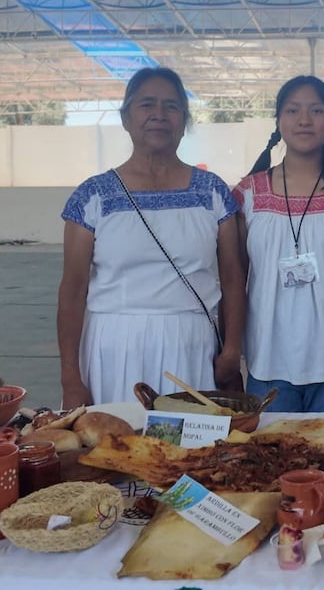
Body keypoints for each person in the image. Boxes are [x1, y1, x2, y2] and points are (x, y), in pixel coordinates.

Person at [58, 67, 245, 407]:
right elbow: (72, 290)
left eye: (171, 106)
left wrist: (232, 350)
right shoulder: (92, 197)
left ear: (184, 120)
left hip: (191, 347)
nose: (159, 115)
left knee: (193, 455)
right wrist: (71, 377)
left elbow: (233, 280)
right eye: (147, 104)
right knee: (114, 450)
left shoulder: (213, 192)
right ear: (126, 117)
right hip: (113, 349)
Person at [233, 75, 324, 413]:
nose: (304, 120)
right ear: (278, 121)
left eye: (316, 110)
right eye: (293, 110)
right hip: (268, 364)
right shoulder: (247, 193)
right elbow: (234, 277)